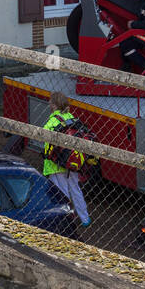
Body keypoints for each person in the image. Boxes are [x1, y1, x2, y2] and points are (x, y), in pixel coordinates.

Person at [42, 90, 90, 226]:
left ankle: (65, 219)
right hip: (72, 162)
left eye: (50, 101)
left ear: (54, 105)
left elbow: (45, 143)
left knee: (61, 193)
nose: (48, 103)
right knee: (75, 189)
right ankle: (85, 218)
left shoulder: (52, 122)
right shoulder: (73, 119)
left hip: (55, 164)